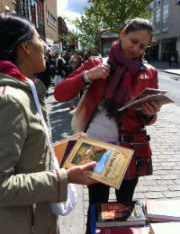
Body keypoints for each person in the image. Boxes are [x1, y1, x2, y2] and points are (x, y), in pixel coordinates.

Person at [54, 18, 161, 234]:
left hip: (129, 150)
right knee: (96, 207)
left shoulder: (149, 73)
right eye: (133, 41)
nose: (136, 49)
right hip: (96, 149)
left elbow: (149, 118)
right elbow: (60, 93)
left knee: (124, 208)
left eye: (143, 46)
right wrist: (87, 77)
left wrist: (149, 114)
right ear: (121, 34)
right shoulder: (96, 64)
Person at [0, 12, 97, 234]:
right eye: (39, 40)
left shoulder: (25, 89)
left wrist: (64, 150)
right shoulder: (9, 100)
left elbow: (25, 154)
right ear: (24, 47)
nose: (44, 46)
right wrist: (65, 178)